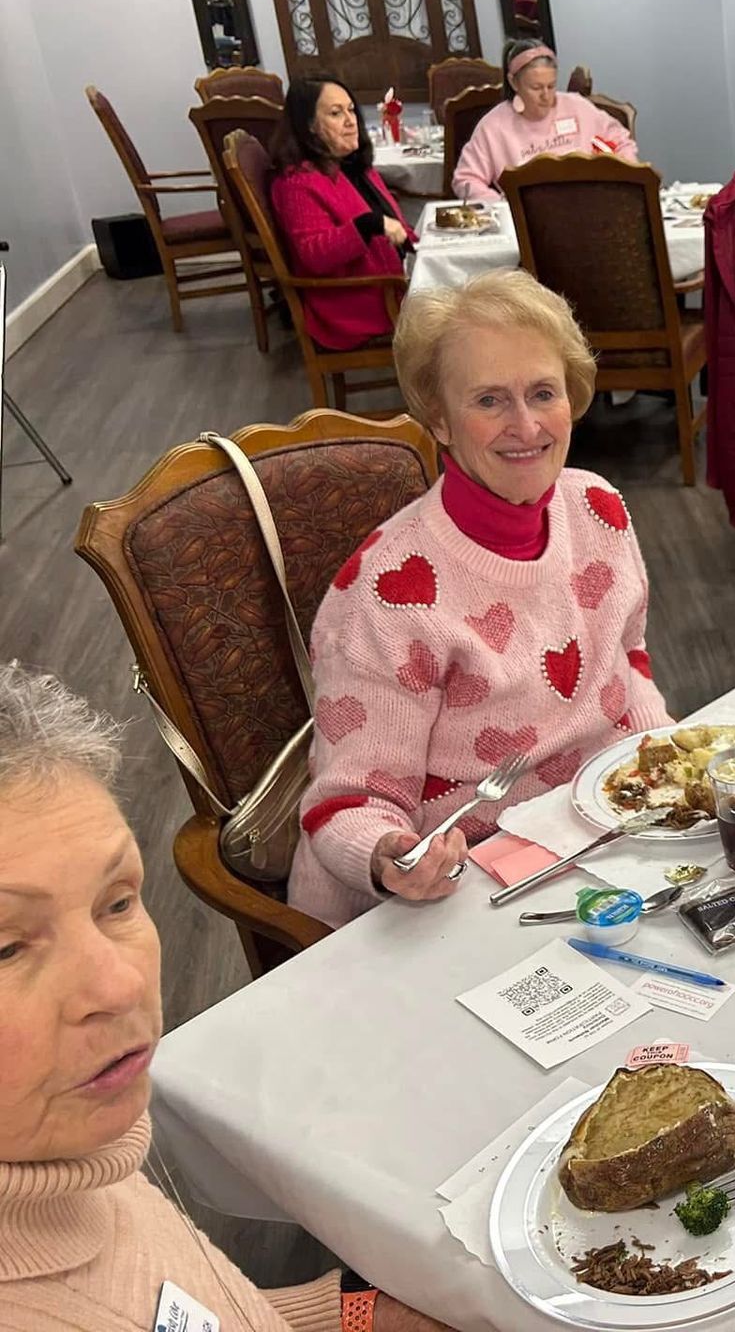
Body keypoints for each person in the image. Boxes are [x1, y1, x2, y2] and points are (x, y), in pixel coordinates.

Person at [0, 665, 452, 1330]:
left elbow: (185, 1306)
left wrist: (357, 1313)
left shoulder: (64, 1150)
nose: (122, 986)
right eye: (7, 948)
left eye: (115, 902)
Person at [290, 270, 673, 927]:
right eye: (490, 400)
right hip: (443, 892)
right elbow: (346, 802)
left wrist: (665, 753)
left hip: (589, 838)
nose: (526, 425)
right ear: (439, 418)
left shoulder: (598, 507)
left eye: (543, 393)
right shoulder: (391, 591)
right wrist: (391, 856)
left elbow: (625, 661)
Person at [270, 74, 415, 352]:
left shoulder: (350, 166)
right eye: (336, 113)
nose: (351, 121)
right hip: (358, 304)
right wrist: (369, 224)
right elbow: (315, 255)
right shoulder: (297, 183)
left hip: (392, 284)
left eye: (351, 110)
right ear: (309, 126)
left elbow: (395, 225)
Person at [452, 39, 637, 200]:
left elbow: (621, 143)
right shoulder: (493, 126)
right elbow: (465, 179)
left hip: (589, 205)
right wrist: (503, 205)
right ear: (514, 82)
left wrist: (621, 181)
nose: (546, 96)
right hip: (526, 219)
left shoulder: (577, 107)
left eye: (551, 86)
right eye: (536, 87)